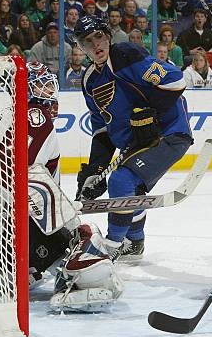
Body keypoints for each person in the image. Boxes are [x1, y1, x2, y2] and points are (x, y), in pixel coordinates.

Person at [72, 15, 192, 264]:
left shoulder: (126, 55)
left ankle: (109, 248)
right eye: (87, 42)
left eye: (99, 37)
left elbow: (176, 80)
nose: (96, 45)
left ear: (108, 36)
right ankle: (134, 241)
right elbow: (101, 129)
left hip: (169, 133)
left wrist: (151, 114)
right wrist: (95, 169)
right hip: (138, 143)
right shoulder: (89, 80)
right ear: (81, 48)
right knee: (130, 190)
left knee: (121, 180)